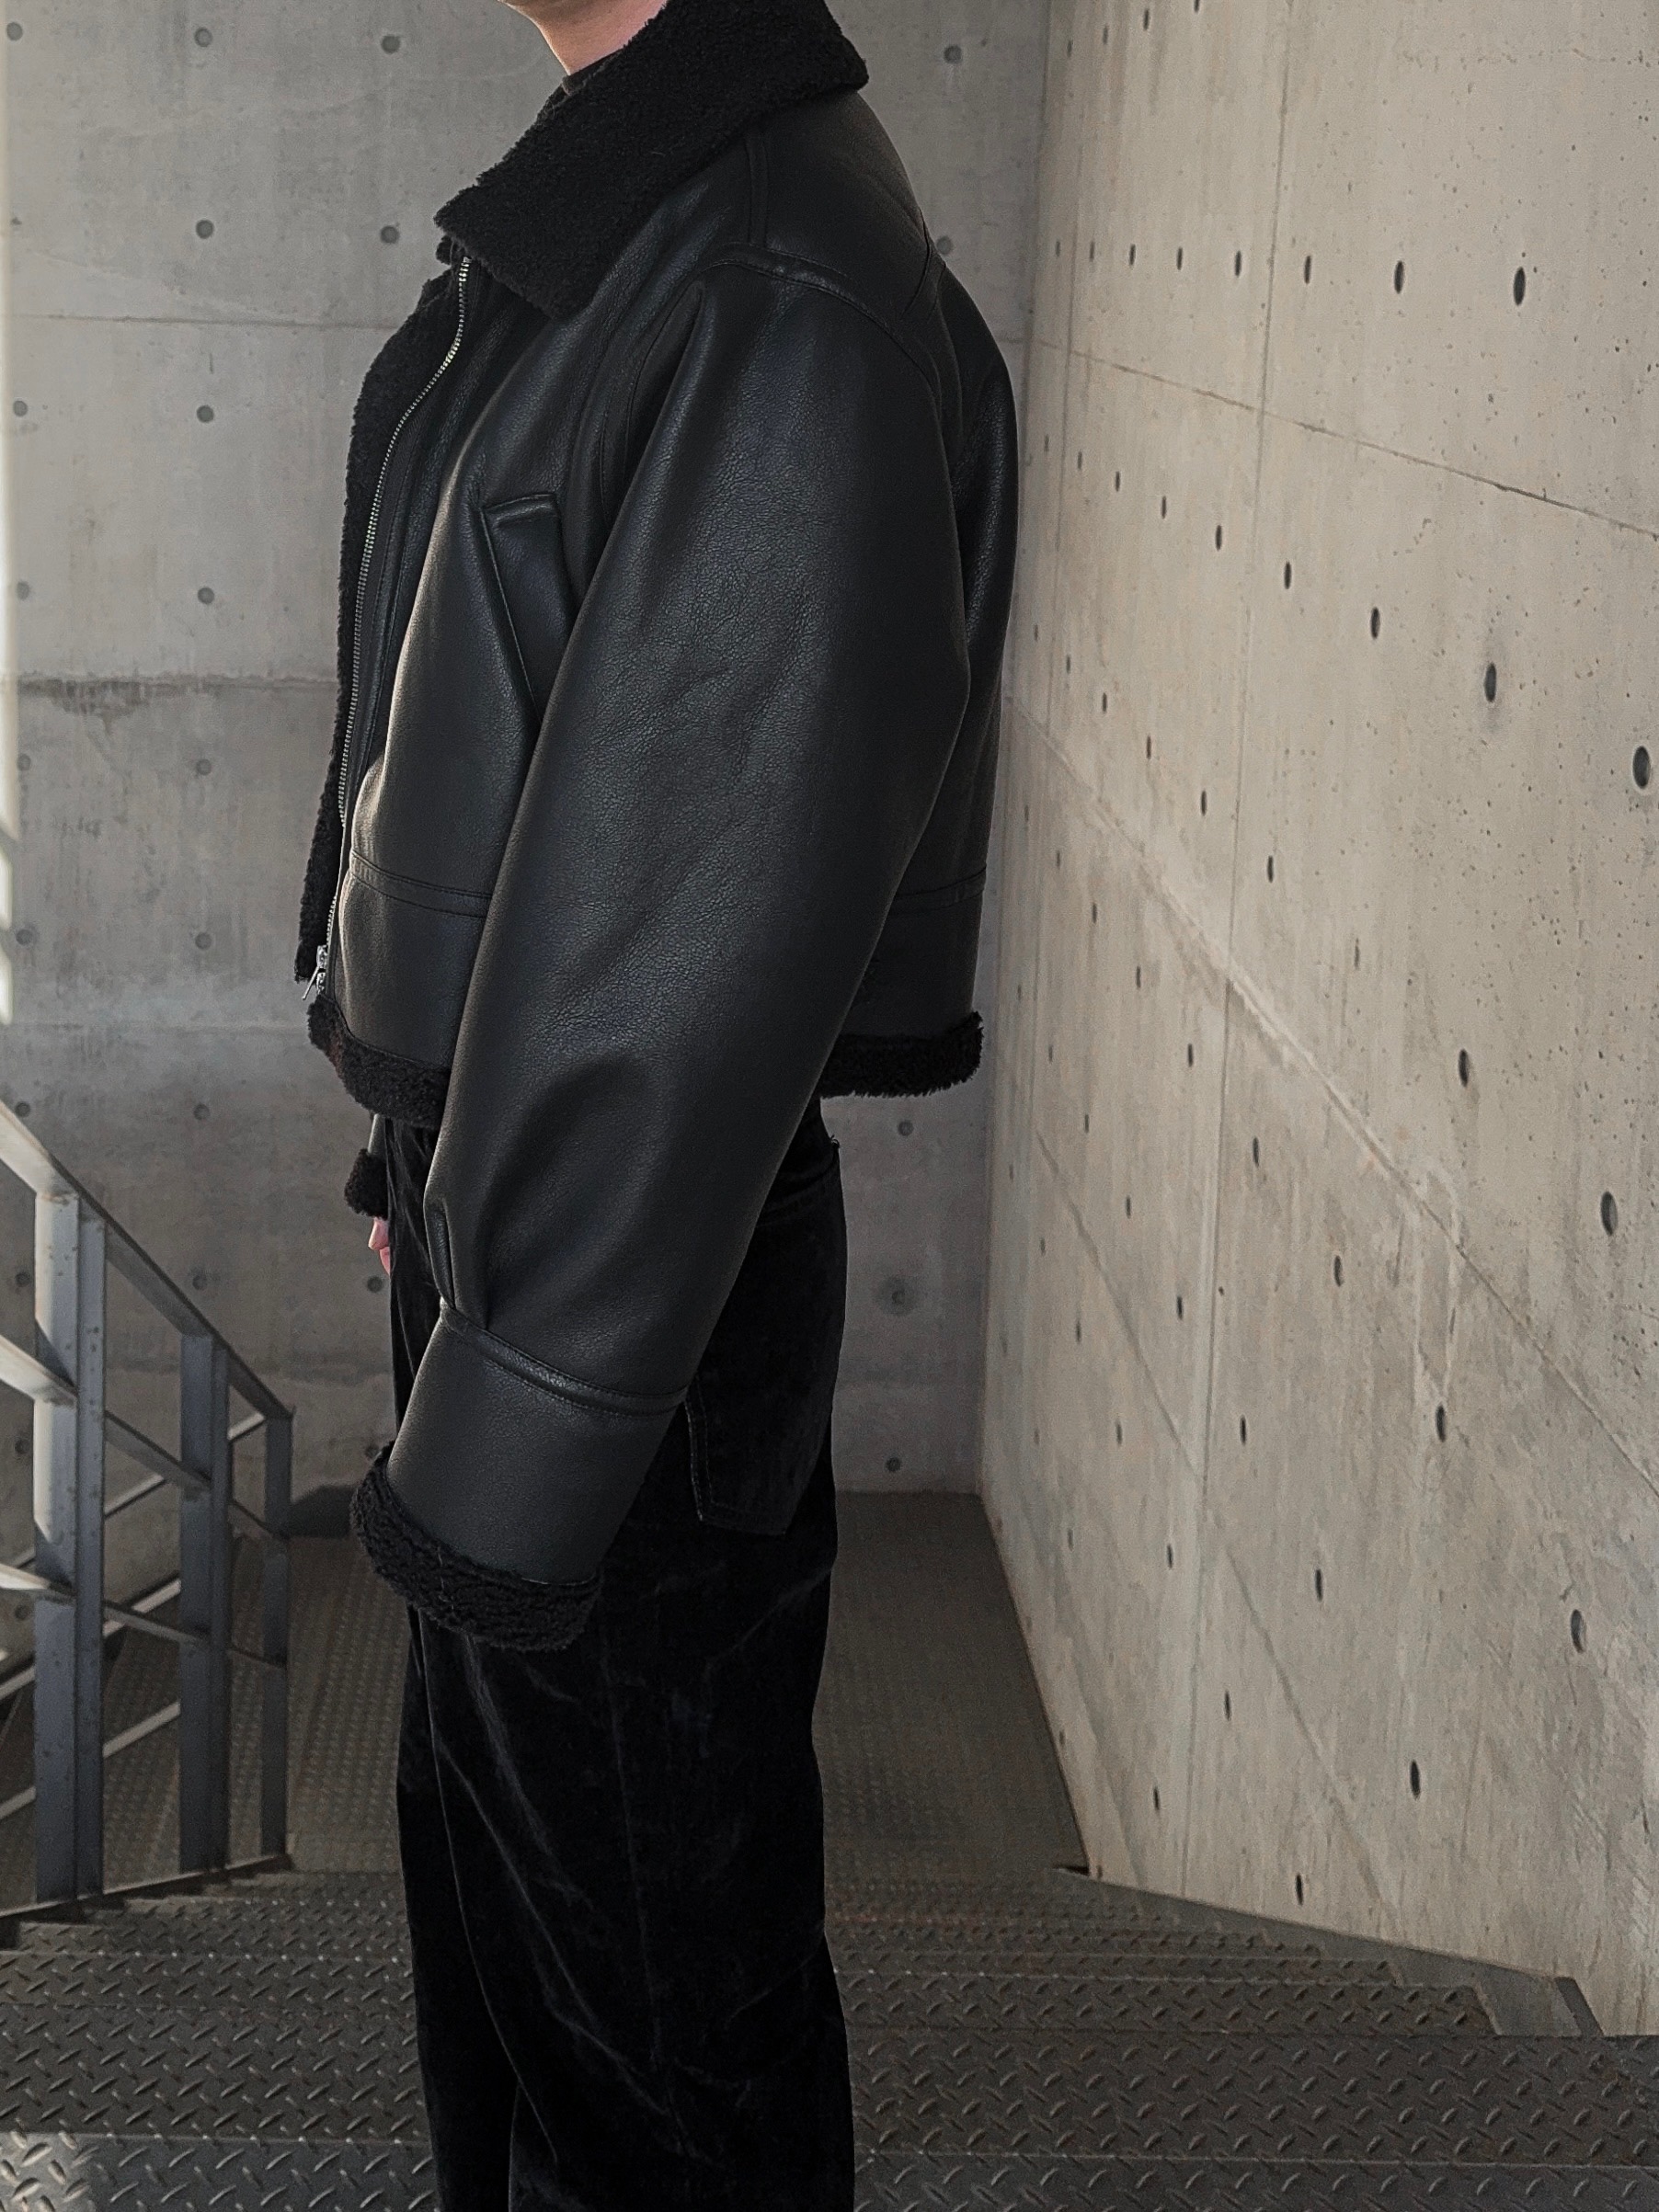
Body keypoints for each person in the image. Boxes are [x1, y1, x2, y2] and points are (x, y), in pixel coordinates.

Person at [292, 0, 1018, 2200]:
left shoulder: (764, 274)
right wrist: (426, 1147)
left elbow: (679, 954)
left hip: (616, 1277)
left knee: (648, 2024)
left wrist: (513, 1365)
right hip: (548, 1222)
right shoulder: (664, 201)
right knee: (525, 1942)